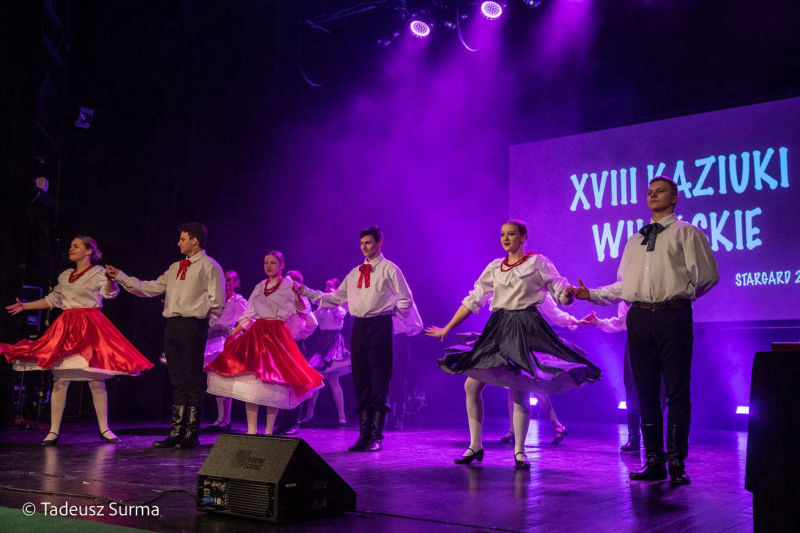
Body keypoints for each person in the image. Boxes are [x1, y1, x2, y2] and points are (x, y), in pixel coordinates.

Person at [569, 176, 718, 485]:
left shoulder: (686, 232)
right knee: (645, 393)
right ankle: (654, 461)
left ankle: (676, 461)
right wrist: (591, 294)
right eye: (649, 191)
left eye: (660, 191)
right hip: (639, 318)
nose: (652, 194)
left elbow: (707, 276)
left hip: (672, 315)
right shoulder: (635, 239)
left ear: (674, 198)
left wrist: (678, 297)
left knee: (676, 391)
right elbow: (625, 286)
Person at [426, 220, 601, 470]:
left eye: (511, 234)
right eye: (502, 235)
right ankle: (475, 446)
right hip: (498, 328)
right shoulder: (495, 267)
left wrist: (568, 295)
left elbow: (559, 290)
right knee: (471, 384)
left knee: (520, 387)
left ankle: (519, 451)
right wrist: (448, 327)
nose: (506, 239)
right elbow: (474, 299)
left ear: (523, 237)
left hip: (525, 327)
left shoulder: (537, 262)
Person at [2, 236, 152, 445]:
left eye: (76, 246)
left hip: (90, 326)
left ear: (89, 251)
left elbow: (110, 293)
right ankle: (54, 431)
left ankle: (104, 429)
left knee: (96, 379)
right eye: (71, 246)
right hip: (66, 327)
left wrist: (110, 279)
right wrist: (25, 306)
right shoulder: (65, 275)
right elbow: (53, 300)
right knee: (60, 378)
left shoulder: (98, 272)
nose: (71, 249)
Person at [297, 225, 422, 452]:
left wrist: (394, 313)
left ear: (379, 243)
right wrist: (306, 292)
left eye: (369, 242)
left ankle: (375, 436)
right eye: (362, 243)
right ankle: (364, 436)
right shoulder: (355, 273)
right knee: (361, 380)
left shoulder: (389, 269)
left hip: (380, 325)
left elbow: (406, 299)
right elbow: (336, 297)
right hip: (360, 327)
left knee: (379, 379)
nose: (364, 247)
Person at [106, 222, 225, 449]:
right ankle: (176, 431)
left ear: (195, 240)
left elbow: (217, 302)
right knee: (177, 380)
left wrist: (203, 325)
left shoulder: (210, 266)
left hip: (193, 326)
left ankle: (191, 433)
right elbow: (148, 288)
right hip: (173, 325)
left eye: (182, 239)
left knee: (192, 380)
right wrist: (120, 276)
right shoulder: (175, 267)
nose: (178, 243)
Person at [205, 252, 324, 436]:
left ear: (281, 265)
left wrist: (297, 293)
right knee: (250, 383)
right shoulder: (260, 286)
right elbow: (248, 315)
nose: (268, 266)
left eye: (273, 263)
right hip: (257, 333)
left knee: (273, 383)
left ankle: (268, 432)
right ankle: (251, 431)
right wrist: (232, 336)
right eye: (266, 262)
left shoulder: (289, 285)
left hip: (276, 334)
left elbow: (303, 309)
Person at [498, 295, 577, 446]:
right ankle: (513, 429)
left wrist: (573, 321)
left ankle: (555, 424)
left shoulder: (538, 288)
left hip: (530, 339)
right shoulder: (510, 286)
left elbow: (554, 312)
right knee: (512, 382)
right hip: (510, 336)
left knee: (533, 383)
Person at [273, 269, 317, 436]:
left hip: (295, 345)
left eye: (293, 281)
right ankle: (281, 422)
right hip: (281, 345)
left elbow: (312, 323)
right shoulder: (281, 299)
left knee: (295, 384)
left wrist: (301, 335)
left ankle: (293, 422)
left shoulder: (302, 300)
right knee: (281, 384)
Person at [302, 278, 351, 427]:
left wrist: (332, 301)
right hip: (322, 342)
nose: (327, 289)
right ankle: (309, 415)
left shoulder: (341, 304)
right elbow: (315, 319)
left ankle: (342, 417)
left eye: (330, 287)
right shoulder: (322, 306)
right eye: (326, 287)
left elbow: (340, 315)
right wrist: (322, 305)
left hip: (334, 342)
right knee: (316, 379)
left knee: (333, 379)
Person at [204, 270, 248, 433]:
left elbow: (246, 319)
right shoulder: (216, 299)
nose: (226, 283)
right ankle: (220, 418)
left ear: (236, 283)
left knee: (223, 378)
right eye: (224, 279)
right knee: (214, 378)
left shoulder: (238, 300)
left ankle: (226, 419)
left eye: (229, 280)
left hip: (225, 340)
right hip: (211, 339)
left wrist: (232, 333)